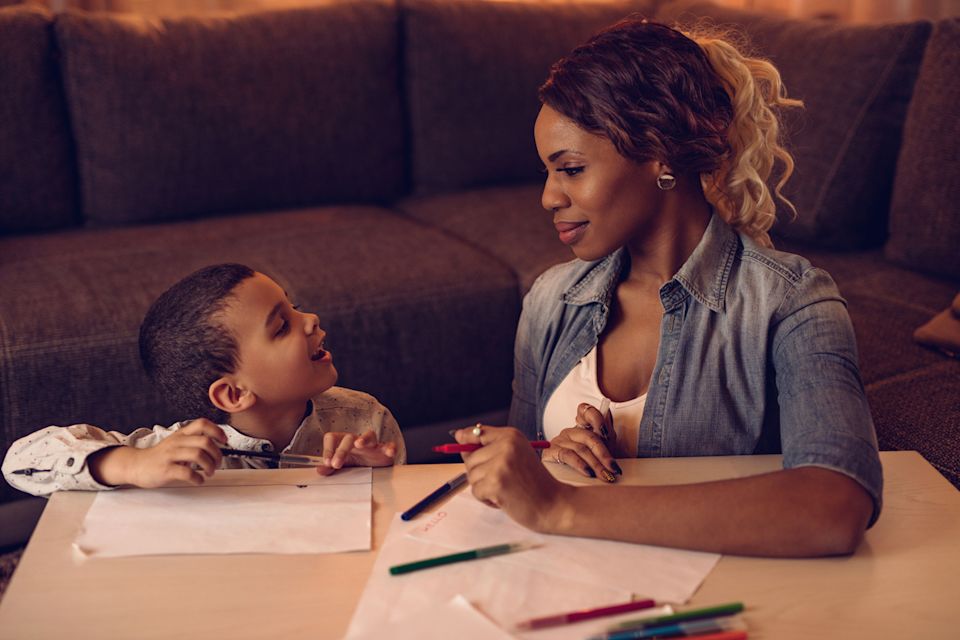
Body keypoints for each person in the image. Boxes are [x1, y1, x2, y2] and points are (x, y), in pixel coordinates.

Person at [454, 18, 881, 558]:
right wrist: (548, 458)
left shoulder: (791, 303)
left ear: (659, 154)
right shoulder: (550, 300)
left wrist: (561, 506)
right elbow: (520, 474)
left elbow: (834, 506)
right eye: (547, 172)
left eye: (571, 168)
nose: (548, 197)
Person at [2, 263, 405, 496]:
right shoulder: (177, 453)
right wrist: (132, 464)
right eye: (282, 325)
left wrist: (378, 476)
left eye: (294, 307)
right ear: (232, 393)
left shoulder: (364, 419)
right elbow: (19, 464)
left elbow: (404, 516)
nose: (311, 318)